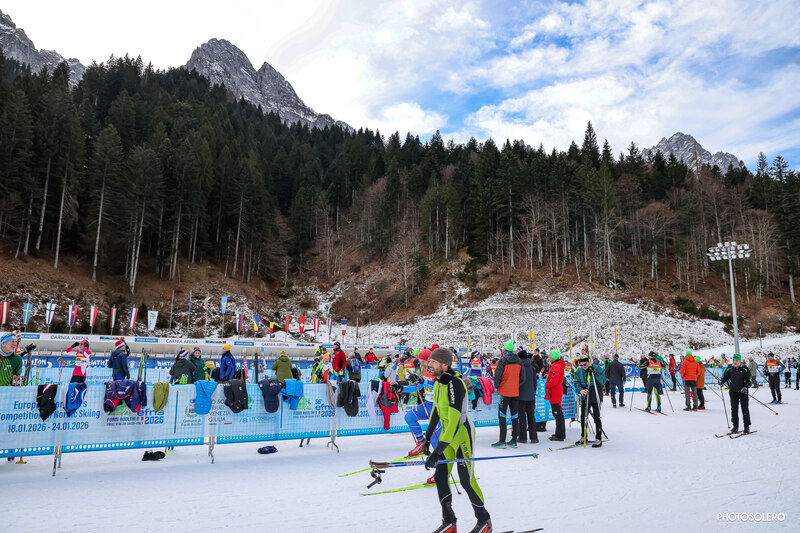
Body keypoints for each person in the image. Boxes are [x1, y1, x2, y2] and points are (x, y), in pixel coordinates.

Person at [423, 347, 491, 533]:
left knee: (466, 480)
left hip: (461, 436)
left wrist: (437, 452)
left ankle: (484, 521)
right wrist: (428, 437)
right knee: (440, 477)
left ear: (444, 365)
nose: (429, 365)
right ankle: (449, 522)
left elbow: (453, 423)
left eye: (433, 362)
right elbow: (436, 411)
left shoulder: (455, 384)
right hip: (448, 437)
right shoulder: (438, 383)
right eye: (430, 361)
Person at [491, 340, 525, 448]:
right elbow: (523, 378)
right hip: (515, 392)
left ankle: (502, 441)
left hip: (504, 392)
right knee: (515, 416)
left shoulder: (503, 360)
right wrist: (515, 385)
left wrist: (498, 386)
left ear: (505, 349)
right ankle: (514, 440)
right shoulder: (519, 360)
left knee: (502, 415)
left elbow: (497, 376)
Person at [573, 354, 606, 447]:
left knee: (596, 417)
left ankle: (598, 438)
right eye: (581, 365)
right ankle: (583, 436)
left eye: (585, 364)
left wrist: (595, 373)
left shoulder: (596, 368)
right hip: (586, 394)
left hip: (595, 393)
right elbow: (576, 383)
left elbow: (603, 380)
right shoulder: (579, 371)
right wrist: (580, 390)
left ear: (589, 362)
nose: (583, 366)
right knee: (583, 417)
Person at [719, 354, 752, 434]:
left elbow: (750, 380)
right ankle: (735, 426)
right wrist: (721, 381)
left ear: (740, 361)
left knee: (745, 409)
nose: (735, 362)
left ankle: (746, 426)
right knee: (734, 409)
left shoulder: (745, 369)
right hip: (733, 391)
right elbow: (725, 377)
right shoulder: (729, 368)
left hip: (743, 392)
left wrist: (746, 387)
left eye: (737, 360)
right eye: (734, 360)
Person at [517, 348, 538, 443]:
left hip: (520, 396)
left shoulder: (519, 369)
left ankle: (522, 437)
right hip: (531, 396)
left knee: (521, 417)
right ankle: (534, 437)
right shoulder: (532, 369)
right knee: (531, 416)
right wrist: (533, 392)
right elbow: (535, 383)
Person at [545, 349, 566, 442]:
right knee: (558, 413)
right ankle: (560, 433)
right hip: (555, 392)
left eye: (551, 356)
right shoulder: (556, 365)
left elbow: (554, 380)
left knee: (557, 413)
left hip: (555, 392)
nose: (549, 357)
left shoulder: (556, 366)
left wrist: (547, 384)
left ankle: (560, 435)